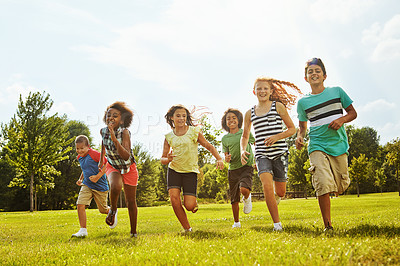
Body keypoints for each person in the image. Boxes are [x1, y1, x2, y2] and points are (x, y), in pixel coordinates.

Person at [296, 58, 357, 232]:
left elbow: (353, 113)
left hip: (338, 144)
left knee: (341, 185)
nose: (314, 74)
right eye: (310, 72)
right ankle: (328, 225)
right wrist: (300, 137)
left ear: (324, 75)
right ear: (306, 78)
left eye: (317, 71)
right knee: (322, 182)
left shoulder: (337, 92)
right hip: (316, 144)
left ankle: (338, 186)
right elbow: (302, 127)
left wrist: (341, 120)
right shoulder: (303, 103)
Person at [241, 77, 301, 232]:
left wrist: (276, 137)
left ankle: (277, 197)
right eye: (259, 89)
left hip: (280, 153)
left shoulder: (278, 107)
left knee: (280, 191)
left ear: (271, 91)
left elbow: (292, 129)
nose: (262, 91)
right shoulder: (250, 113)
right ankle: (277, 224)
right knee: (267, 186)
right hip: (262, 154)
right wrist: (243, 149)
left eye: (265, 88)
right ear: (254, 91)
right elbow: (245, 136)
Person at [161, 104, 224, 232]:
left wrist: (218, 158)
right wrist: (168, 159)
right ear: (172, 118)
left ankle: (193, 203)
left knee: (189, 206)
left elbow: (209, 145)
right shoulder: (168, 137)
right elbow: (162, 159)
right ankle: (187, 229)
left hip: (190, 171)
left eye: (184, 116)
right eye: (178, 116)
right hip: (174, 170)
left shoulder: (193, 132)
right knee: (174, 199)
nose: (181, 118)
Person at [99, 101, 139, 238]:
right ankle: (113, 210)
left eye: (115, 115)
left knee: (130, 201)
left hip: (128, 167)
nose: (111, 118)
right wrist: (101, 160)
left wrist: (115, 139)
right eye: (109, 115)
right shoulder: (103, 131)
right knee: (115, 186)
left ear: (122, 120)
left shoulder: (125, 133)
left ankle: (133, 232)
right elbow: (103, 145)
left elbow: (126, 155)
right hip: (112, 165)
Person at [221, 108, 255, 228]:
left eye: (234, 118)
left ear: (239, 120)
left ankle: (247, 197)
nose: (231, 120)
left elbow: (255, 144)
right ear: (225, 122)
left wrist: (258, 160)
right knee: (234, 198)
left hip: (246, 165)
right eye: (228, 119)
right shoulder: (225, 139)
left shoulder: (245, 132)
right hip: (233, 169)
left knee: (244, 189)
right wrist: (227, 158)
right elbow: (225, 155)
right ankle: (236, 222)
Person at [72, 135, 109, 238]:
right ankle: (83, 230)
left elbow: (107, 164)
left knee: (103, 210)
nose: (79, 151)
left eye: (82, 148)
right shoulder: (79, 157)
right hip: (87, 184)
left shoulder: (95, 154)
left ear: (88, 146)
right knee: (80, 204)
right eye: (77, 148)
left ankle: (111, 212)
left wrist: (98, 176)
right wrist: (80, 179)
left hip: (100, 186)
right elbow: (85, 169)